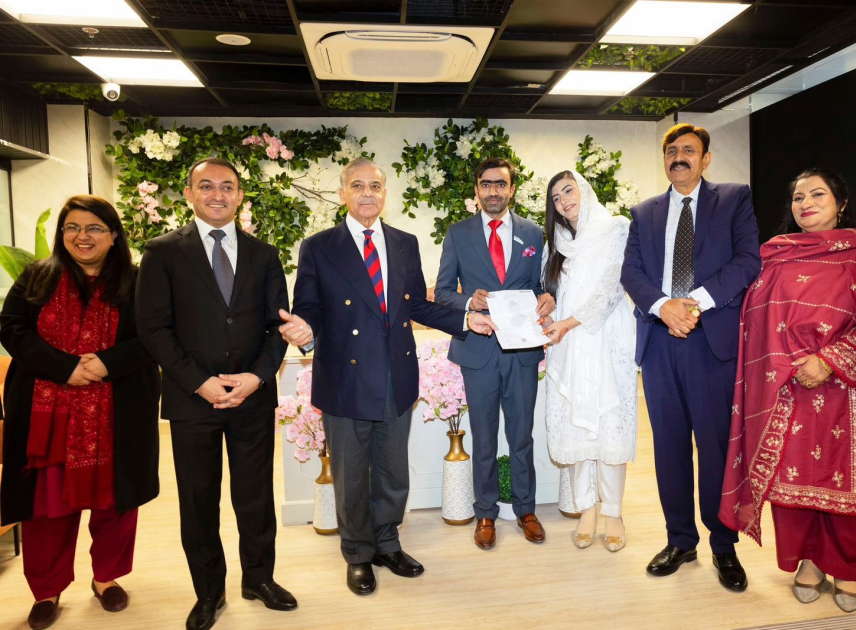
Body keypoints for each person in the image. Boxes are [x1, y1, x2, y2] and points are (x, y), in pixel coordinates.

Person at [279, 158, 496, 596]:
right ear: (343, 192)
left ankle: (387, 543)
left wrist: (465, 320)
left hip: (396, 375)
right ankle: (358, 553)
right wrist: (304, 329)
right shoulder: (319, 246)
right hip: (345, 379)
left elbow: (416, 305)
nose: (367, 193)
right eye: (358, 185)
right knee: (351, 474)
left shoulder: (403, 243)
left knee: (393, 471)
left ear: (384, 193)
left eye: (375, 186)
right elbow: (310, 306)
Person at [719, 168, 856, 613]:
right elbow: (756, 319)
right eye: (798, 197)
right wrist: (789, 361)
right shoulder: (775, 255)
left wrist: (830, 361)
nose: (806, 203)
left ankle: (849, 569)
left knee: (851, 481)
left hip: (850, 388)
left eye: (817, 194)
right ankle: (808, 561)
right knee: (793, 484)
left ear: (841, 203)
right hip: (787, 388)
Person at [136, 158, 295, 630]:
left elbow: (278, 326)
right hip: (192, 400)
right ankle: (209, 592)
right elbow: (153, 328)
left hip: (251, 399)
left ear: (240, 196)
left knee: (255, 497)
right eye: (206, 186)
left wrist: (256, 377)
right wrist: (199, 382)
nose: (217, 194)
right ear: (189, 194)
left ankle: (259, 579)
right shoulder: (162, 252)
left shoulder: (264, 255)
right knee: (198, 500)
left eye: (227, 187)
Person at [0, 195, 160, 630]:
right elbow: (12, 328)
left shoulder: (138, 281)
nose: (81, 236)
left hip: (118, 411)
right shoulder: (38, 275)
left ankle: (106, 578)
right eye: (72, 227)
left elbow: (155, 335)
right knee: (47, 506)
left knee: (114, 503)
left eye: (94, 228)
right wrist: (64, 368)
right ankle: (47, 590)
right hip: (47, 417)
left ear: (114, 236)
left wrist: (107, 363)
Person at [621, 123, 760, 591]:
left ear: (706, 158)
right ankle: (680, 540)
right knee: (669, 449)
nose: (678, 157)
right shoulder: (644, 212)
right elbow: (631, 271)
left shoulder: (734, 199)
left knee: (716, 447)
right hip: (660, 342)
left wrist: (693, 303)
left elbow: (748, 261)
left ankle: (724, 545)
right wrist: (665, 307)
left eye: (688, 150)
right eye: (671, 150)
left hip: (710, 342)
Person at [434, 157, 555, 550]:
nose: (493, 191)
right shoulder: (458, 233)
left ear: (511, 189)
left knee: (522, 436)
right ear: (476, 190)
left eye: (500, 184)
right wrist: (469, 300)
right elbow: (442, 292)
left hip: (522, 352)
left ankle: (526, 510)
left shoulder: (533, 233)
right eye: (486, 184)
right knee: (484, 438)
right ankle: (485, 513)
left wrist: (547, 299)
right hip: (479, 351)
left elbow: (540, 286)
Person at [540, 170, 637, 552]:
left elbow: (613, 287)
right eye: (556, 198)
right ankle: (587, 510)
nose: (564, 200)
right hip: (567, 345)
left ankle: (613, 512)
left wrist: (567, 322)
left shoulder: (616, 228)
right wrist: (547, 317)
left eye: (569, 190)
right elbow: (550, 293)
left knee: (609, 422)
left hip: (605, 339)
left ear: (584, 190)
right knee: (575, 424)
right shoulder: (557, 243)